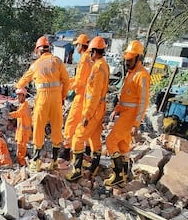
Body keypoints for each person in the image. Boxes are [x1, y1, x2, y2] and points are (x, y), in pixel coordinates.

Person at [15, 36, 70, 172]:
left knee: (39, 128)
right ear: (48, 49)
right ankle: (55, 161)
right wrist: (63, 97)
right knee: (57, 129)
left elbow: (22, 82)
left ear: (38, 51)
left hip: (42, 100)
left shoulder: (35, 65)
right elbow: (67, 81)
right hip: (57, 99)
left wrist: (18, 87)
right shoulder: (57, 61)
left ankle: (36, 162)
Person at [104, 40, 150, 187]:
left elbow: (143, 102)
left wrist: (136, 123)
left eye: (129, 60)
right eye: (126, 60)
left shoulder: (142, 76)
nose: (127, 63)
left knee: (111, 141)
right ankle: (123, 176)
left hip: (130, 117)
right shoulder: (131, 74)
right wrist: (117, 109)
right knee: (123, 146)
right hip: (125, 114)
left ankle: (117, 175)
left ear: (138, 58)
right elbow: (126, 98)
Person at [66, 36, 110, 181]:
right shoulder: (105, 65)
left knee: (78, 138)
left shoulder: (97, 69)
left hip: (93, 110)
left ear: (95, 52)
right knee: (94, 137)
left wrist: (86, 115)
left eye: (91, 52)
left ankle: (76, 170)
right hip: (100, 108)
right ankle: (95, 165)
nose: (89, 55)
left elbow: (93, 95)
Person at [61, 34, 91, 160]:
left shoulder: (84, 59)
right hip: (88, 97)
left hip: (81, 96)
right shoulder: (90, 58)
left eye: (77, 45)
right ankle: (88, 149)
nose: (76, 48)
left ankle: (66, 150)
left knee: (71, 122)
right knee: (85, 124)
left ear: (81, 45)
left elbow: (79, 81)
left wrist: (65, 87)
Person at [9, 87, 32, 166]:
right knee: (21, 148)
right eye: (17, 95)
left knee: (21, 149)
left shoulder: (24, 106)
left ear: (23, 96)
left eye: (19, 95)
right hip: (22, 132)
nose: (17, 97)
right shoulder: (23, 105)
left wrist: (8, 115)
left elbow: (18, 114)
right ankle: (22, 162)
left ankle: (22, 164)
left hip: (23, 133)